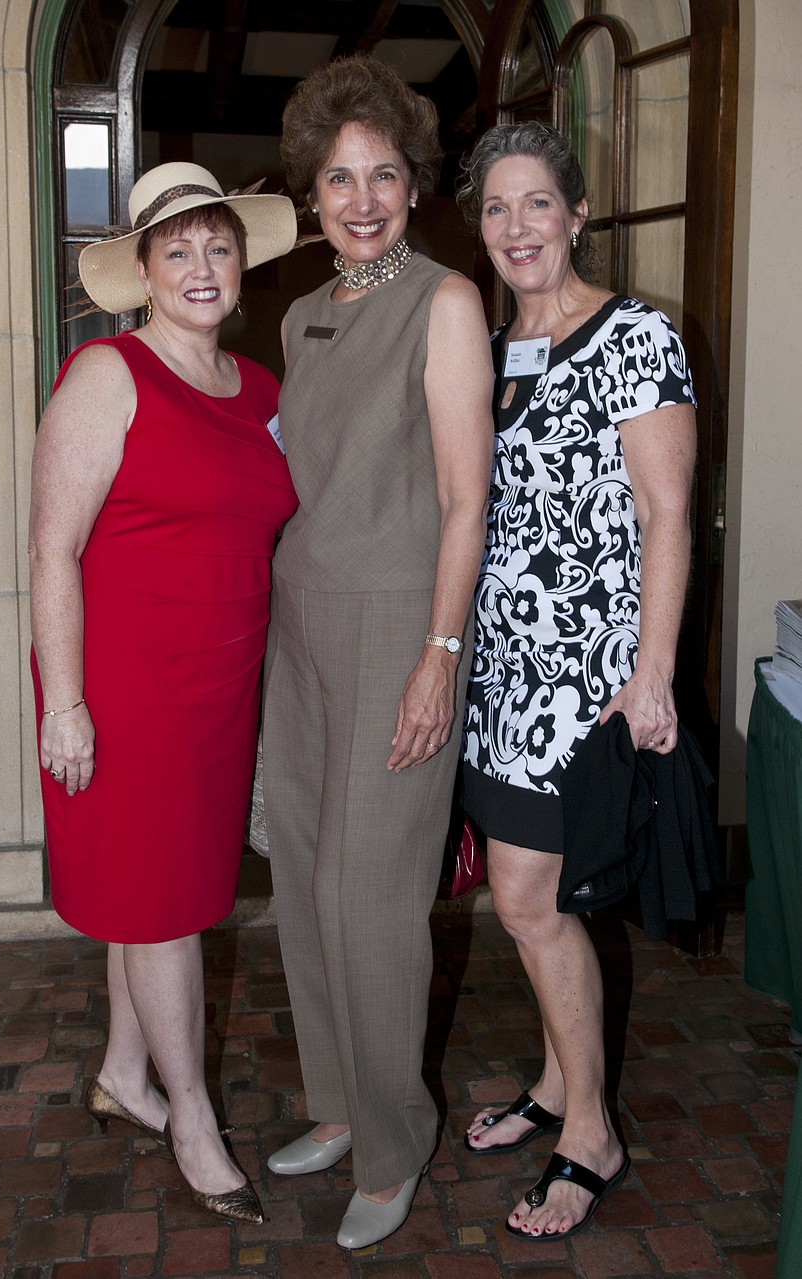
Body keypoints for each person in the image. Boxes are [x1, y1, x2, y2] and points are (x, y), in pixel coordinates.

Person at [28, 162, 297, 1224]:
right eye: (176, 249)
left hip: (220, 687)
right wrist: (64, 702)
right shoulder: (110, 373)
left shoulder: (263, 390)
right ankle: (191, 1117)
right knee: (162, 907)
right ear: (142, 272)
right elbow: (52, 550)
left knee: (155, 899)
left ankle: (123, 1074)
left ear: (241, 264)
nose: (201, 266)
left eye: (218, 246)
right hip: (127, 688)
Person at [261, 55, 493, 1249]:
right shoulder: (301, 312)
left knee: (373, 897)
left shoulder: (443, 302)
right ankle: (341, 1104)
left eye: (384, 175)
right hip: (299, 624)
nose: (362, 199)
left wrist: (438, 654)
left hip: (400, 620)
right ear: (310, 190)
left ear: (415, 183)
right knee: (304, 876)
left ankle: (396, 1141)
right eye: (340, 178)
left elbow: (465, 498)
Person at [457, 122, 697, 1241]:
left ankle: (591, 1132)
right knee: (528, 907)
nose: (516, 227)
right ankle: (558, 1083)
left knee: (530, 901)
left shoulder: (635, 334)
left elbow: (665, 514)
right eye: (496, 208)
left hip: (585, 681)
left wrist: (653, 676)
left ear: (577, 213)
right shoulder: (494, 347)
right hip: (502, 677)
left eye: (536, 203)